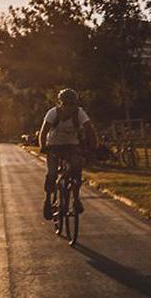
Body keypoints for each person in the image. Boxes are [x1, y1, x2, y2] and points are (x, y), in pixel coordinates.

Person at [39, 88, 96, 220]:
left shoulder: (79, 113)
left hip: (71, 145)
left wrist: (93, 147)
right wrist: (43, 147)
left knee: (76, 169)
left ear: (76, 104)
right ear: (60, 103)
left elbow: (90, 130)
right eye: (66, 104)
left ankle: (76, 199)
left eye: (72, 104)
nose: (69, 108)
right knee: (52, 173)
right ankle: (48, 199)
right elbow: (43, 132)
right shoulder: (53, 113)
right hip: (54, 145)